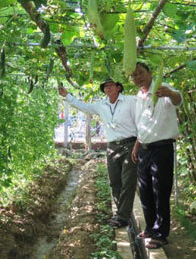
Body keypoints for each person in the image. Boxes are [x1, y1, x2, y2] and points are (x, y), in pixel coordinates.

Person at [58, 78, 137, 228]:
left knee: (128, 182)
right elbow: (84, 107)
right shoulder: (102, 105)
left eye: (111, 85)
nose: (108, 88)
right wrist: (67, 95)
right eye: (105, 87)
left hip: (130, 144)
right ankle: (121, 212)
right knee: (115, 181)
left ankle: (122, 217)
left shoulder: (130, 101)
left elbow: (141, 117)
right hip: (112, 146)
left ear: (119, 87)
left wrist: (139, 144)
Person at [130, 62, 182, 249]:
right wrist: (137, 146)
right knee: (145, 191)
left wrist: (170, 93)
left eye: (141, 73)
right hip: (144, 148)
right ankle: (151, 227)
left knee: (160, 191)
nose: (138, 77)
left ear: (150, 73)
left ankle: (161, 233)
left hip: (162, 149)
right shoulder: (139, 95)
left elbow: (177, 99)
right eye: (134, 75)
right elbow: (142, 124)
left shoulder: (162, 88)